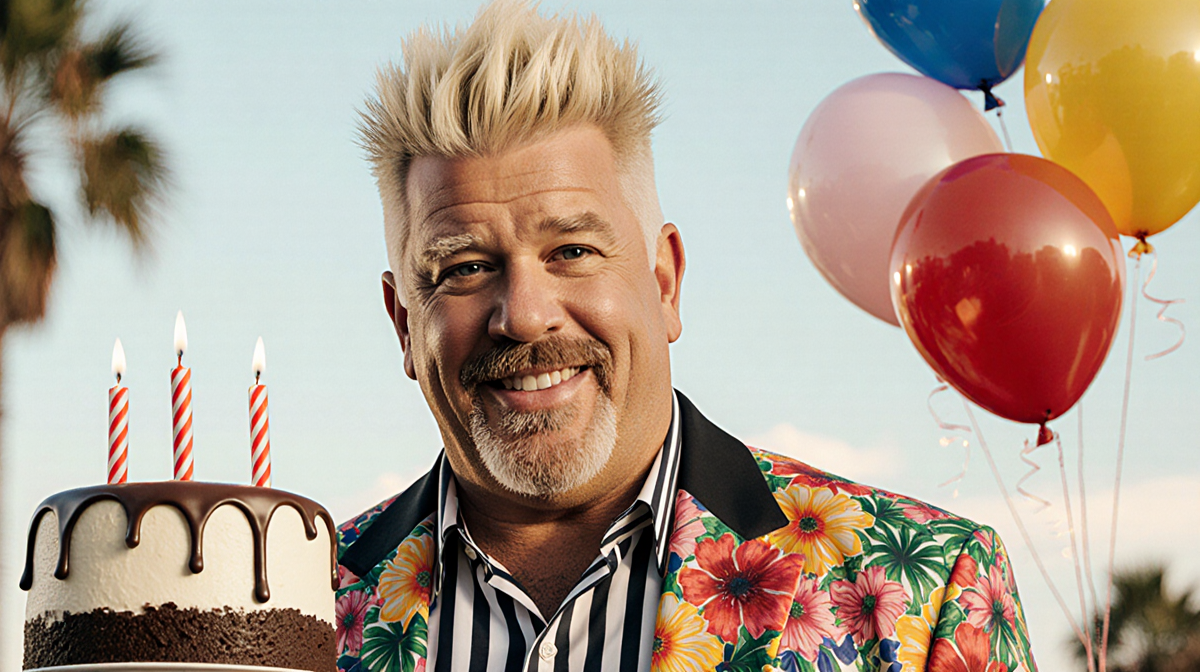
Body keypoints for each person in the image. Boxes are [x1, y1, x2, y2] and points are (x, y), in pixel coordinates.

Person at [334, 2, 1038, 671]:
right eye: (465, 267)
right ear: (404, 323)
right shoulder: (307, 601)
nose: (523, 314)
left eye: (572, 251)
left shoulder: (925, 590)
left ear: (664, 281)